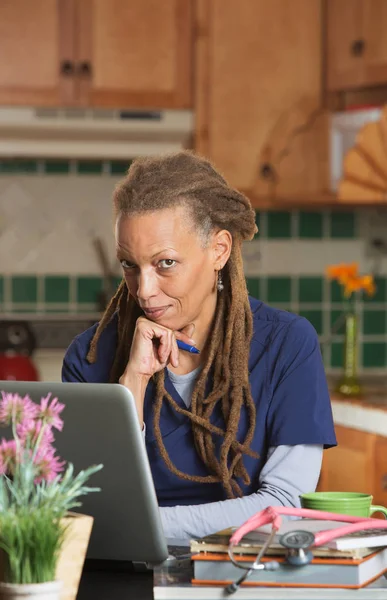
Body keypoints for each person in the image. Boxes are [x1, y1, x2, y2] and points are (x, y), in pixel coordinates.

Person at [62, 151, 336, 540]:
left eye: (165, 263)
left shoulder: (288, 344)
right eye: (129, 264)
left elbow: (284, 505)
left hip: (245, 572)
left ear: (219, 250)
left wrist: (145, 527)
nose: (144, 289)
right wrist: (132, 385)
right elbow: (93, 502)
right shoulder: (89, 356)